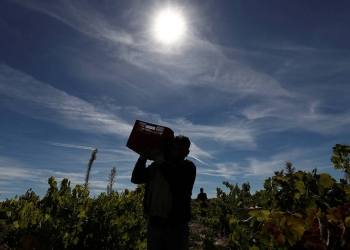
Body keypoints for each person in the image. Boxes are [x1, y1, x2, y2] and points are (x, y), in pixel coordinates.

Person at [131, 135, 196, 250]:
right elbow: (136, 178)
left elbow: (175, 180)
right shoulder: (157, 166)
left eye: (180, 150)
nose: (176, 153)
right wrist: (142, 157)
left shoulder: (188, 167)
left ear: (187, 153)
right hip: (154, 224)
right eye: (173, 148)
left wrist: (160, 160)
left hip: (176, 227)